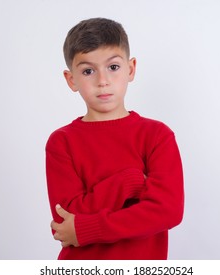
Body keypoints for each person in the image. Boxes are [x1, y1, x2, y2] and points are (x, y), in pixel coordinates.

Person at [45, 17, 184, 260]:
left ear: (130, 69)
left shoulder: (157, 136)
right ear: (71, 80)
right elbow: (65, 220)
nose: (102, 81)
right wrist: (129, 182)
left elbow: (167, 211)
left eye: (113, 67)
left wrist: (87, 228)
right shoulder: (61, 142)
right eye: (88, 71)